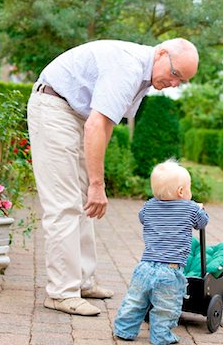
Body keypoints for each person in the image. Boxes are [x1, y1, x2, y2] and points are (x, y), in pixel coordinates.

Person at [27, 38, 199, 317]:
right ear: (162, 53)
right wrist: (97, 185)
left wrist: (97, 180)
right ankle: (61, 292)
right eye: (175, 74)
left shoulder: (145, 78)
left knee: (83, 201)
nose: (174, 83)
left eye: (182, 80)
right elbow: (97, 124)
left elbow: (105, 124)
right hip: (54, 107)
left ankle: (82, 281)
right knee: (64, 204)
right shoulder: (129, 67)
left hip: (77, 115)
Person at [114, 159, 209, 345]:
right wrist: (199, 208)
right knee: (166, 307)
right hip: (170, 271)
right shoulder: (190, 208)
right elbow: (202, 222)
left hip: (144, 267)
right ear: (182, 191)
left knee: (135, 301)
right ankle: (161, 336)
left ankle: (124, 330)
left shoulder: (149, 206)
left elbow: (142, 218)